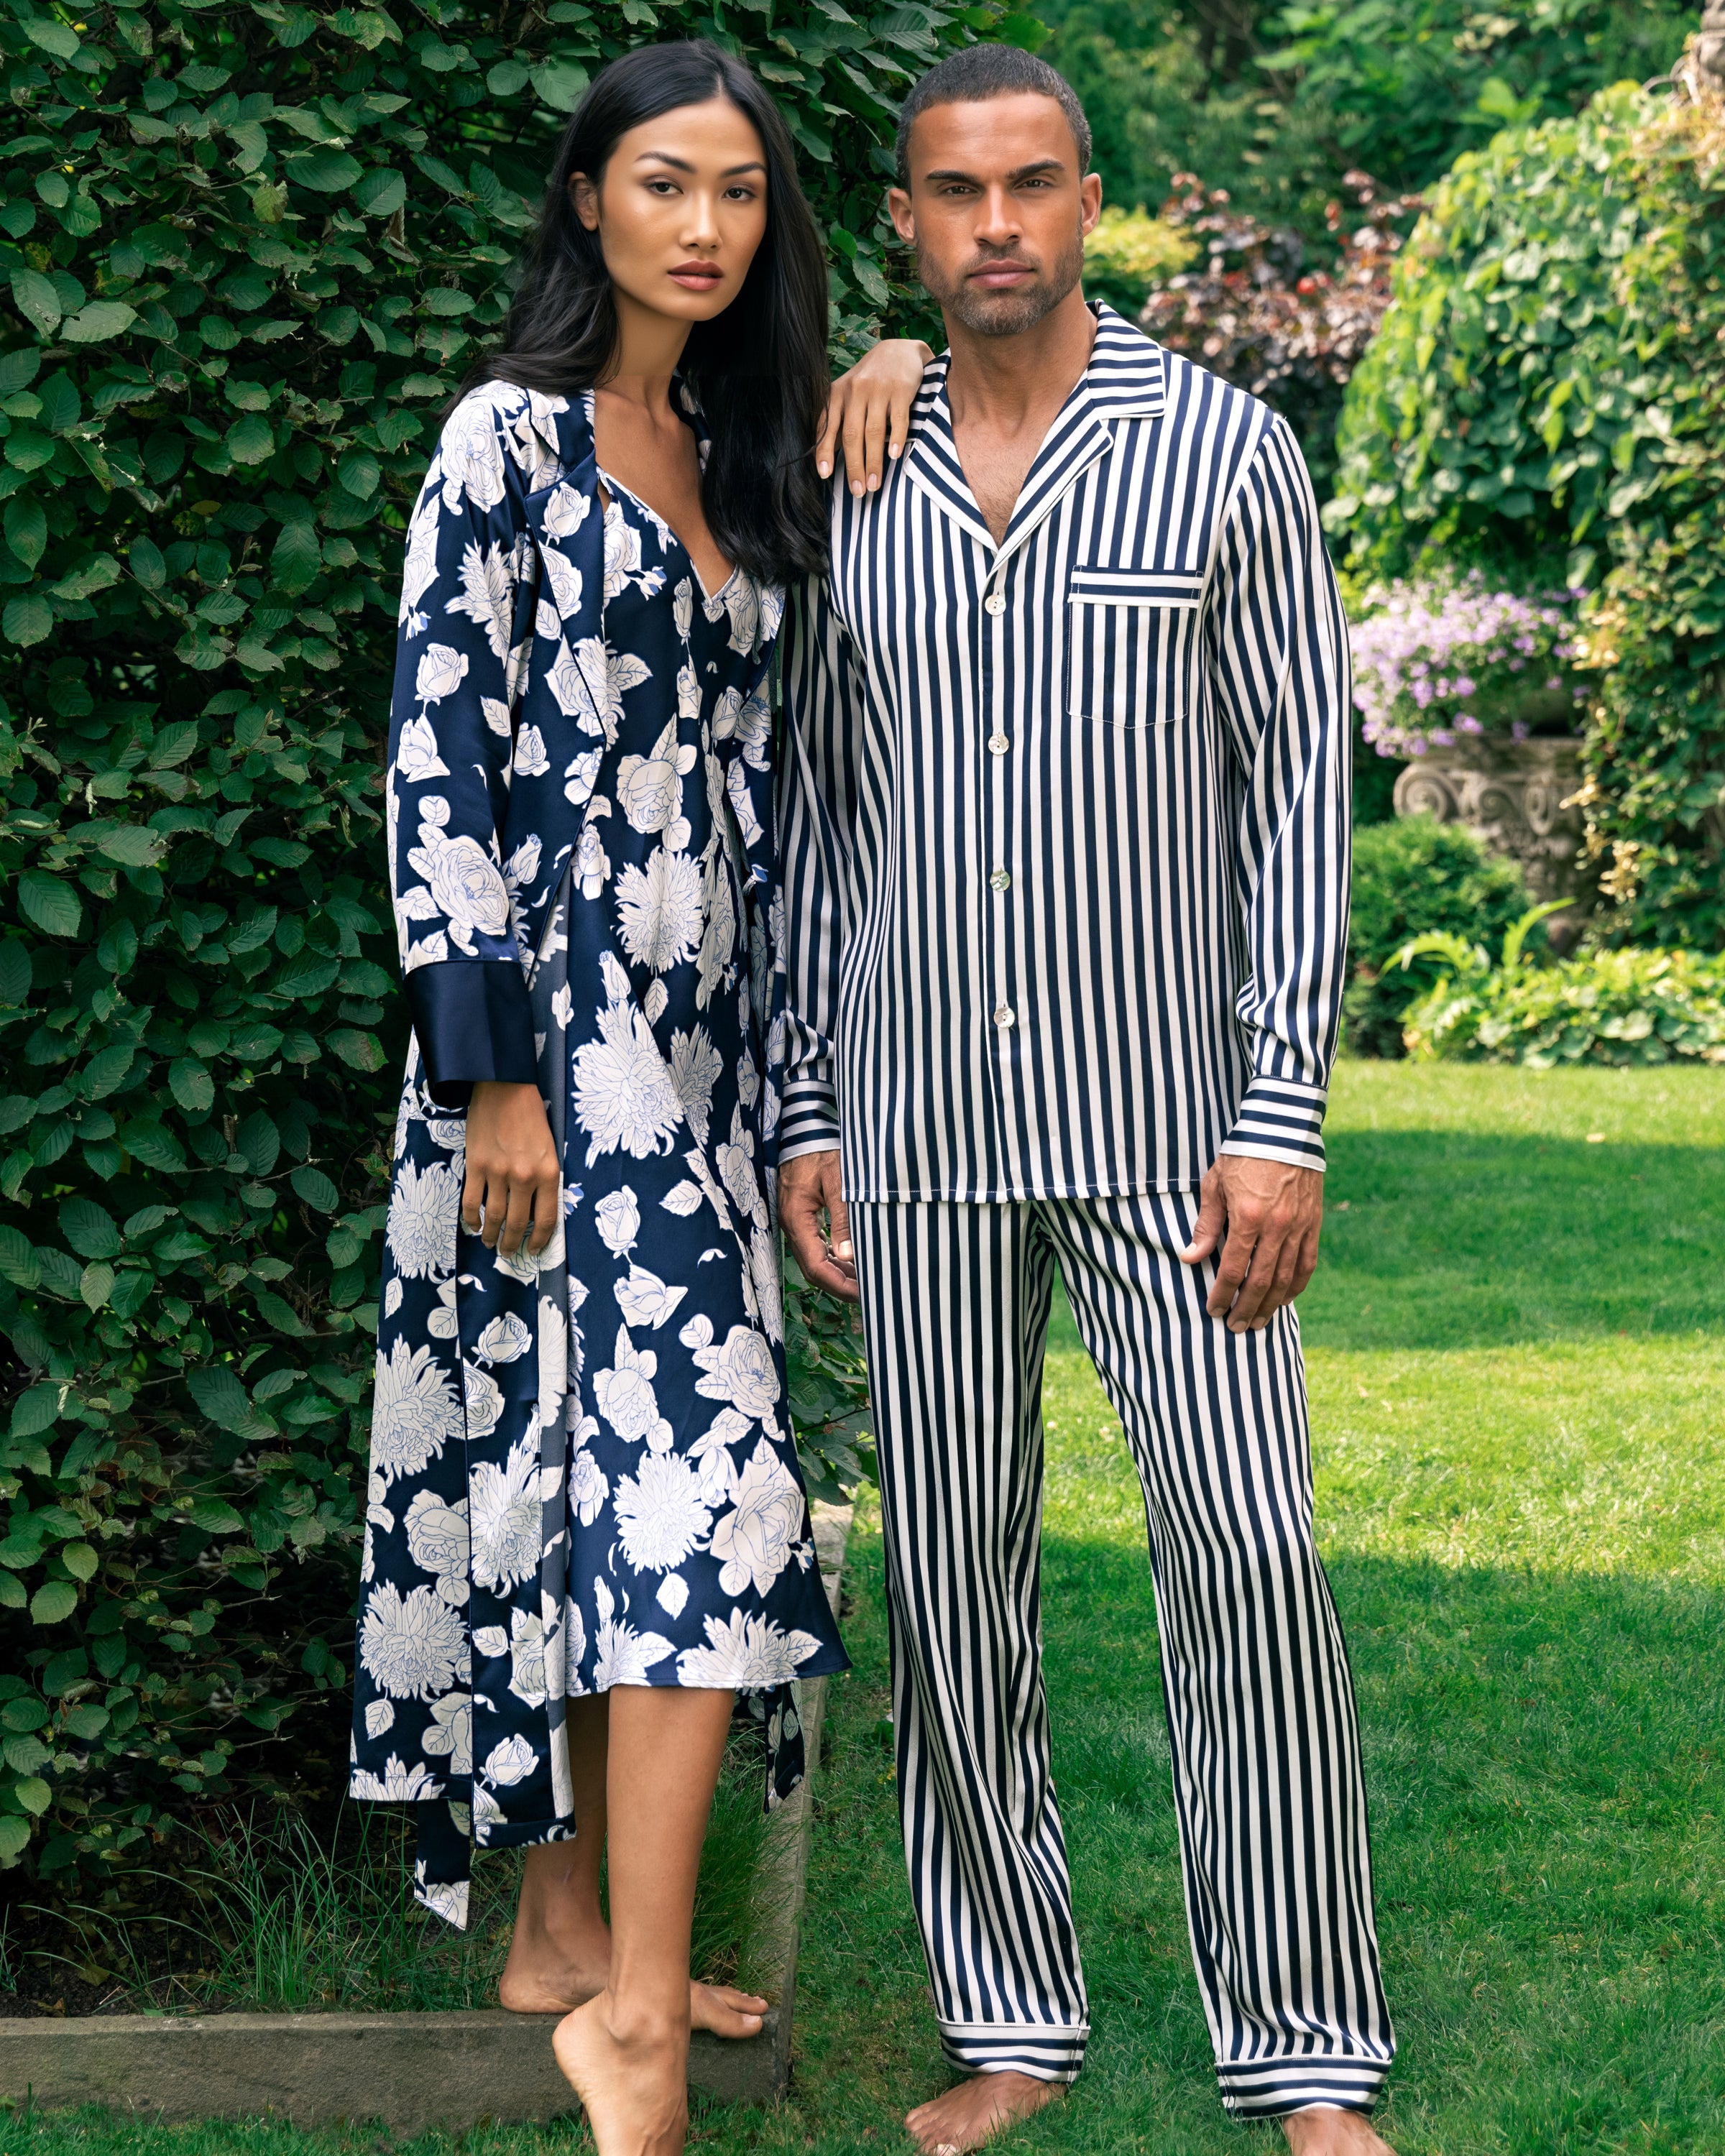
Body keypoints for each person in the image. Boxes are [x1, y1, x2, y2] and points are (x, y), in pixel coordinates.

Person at [779, 43, 1399, 2156]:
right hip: (922, 1125)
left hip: (1171, 1134)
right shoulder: (851, 461)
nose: (996, 229)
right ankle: (1013, 2018)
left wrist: (1283, 1114)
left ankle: (1309, 2056)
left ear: (1092, 196)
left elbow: (1303, 808)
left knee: (1248, 1561)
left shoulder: (1226, 456)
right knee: (956, 1581)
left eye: (1032, 186)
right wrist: (803, 1106)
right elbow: (814, 823)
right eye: (954, 196)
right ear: (905, 223)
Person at [347, 40, 927, 2155]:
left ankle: (571, 1932)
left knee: (601, 1506)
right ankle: (643, 2037)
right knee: (682, 1503)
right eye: (665, 182)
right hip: (538, 1073)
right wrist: (489, 1077)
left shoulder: (746, 446)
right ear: (588, 198)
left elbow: (775, 829)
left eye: (746, 193)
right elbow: (441, 765)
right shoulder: (499, 444)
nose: (706, 224)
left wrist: (793, 1114)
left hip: (692, 1071)